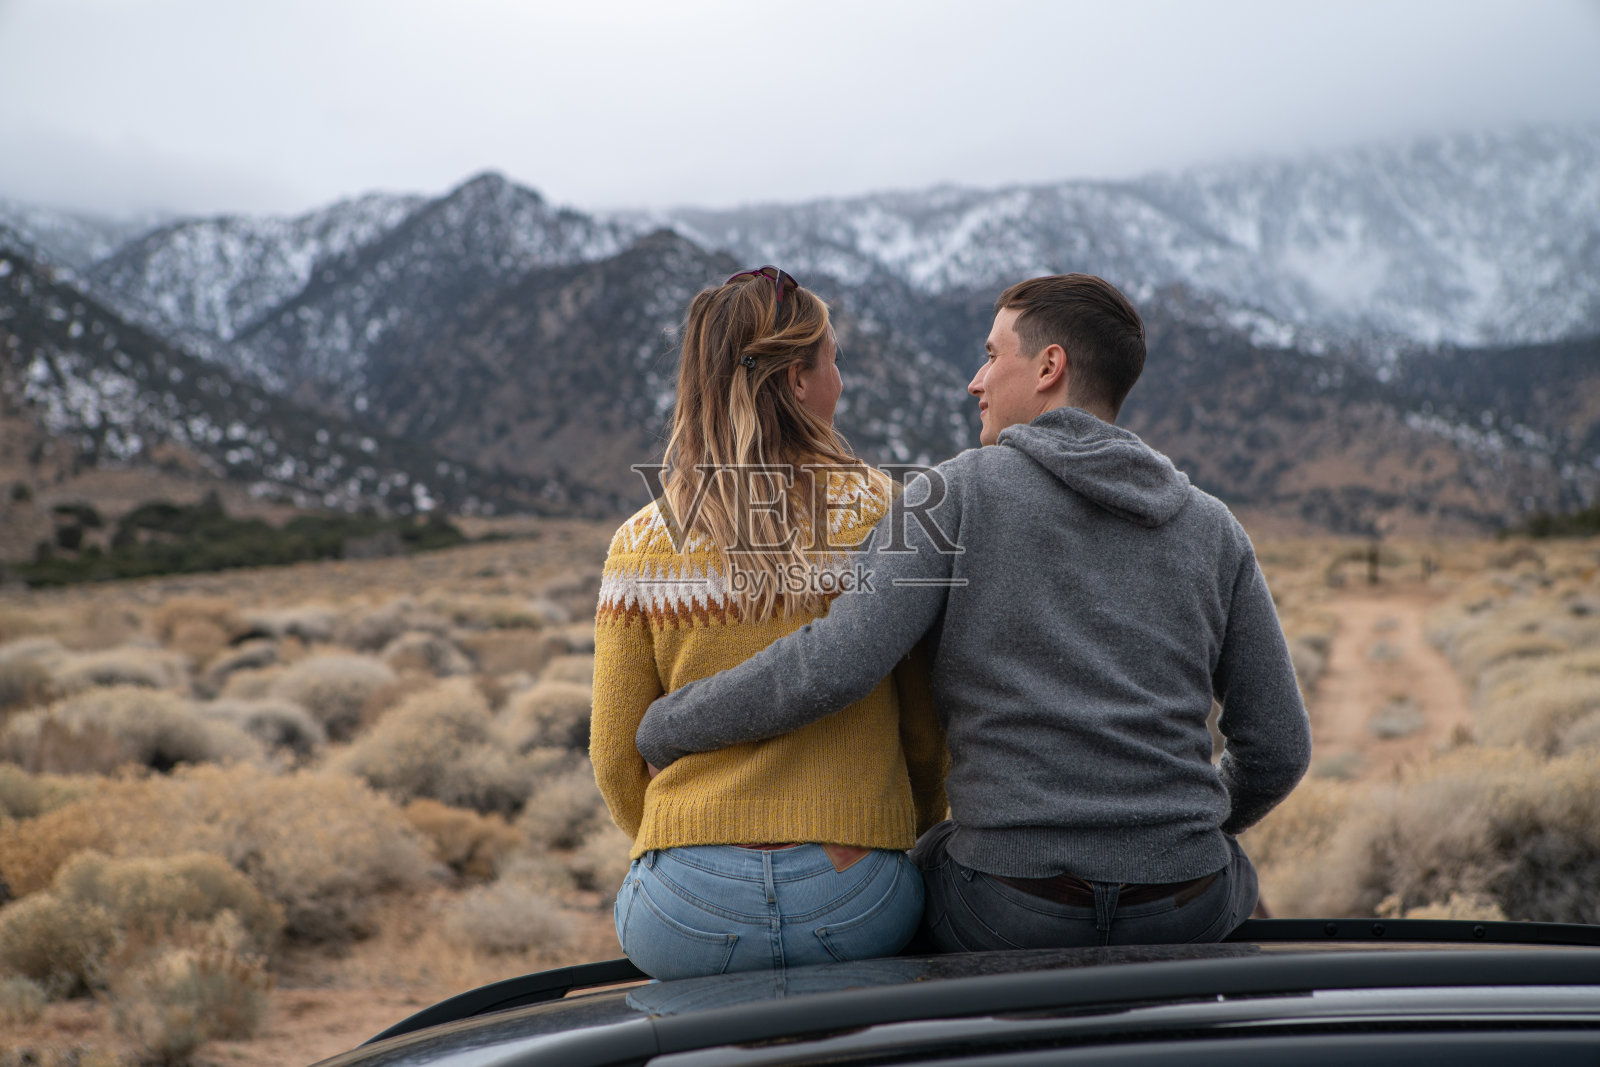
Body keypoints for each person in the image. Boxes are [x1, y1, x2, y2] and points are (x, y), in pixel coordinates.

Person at [635, 273, 1311, 951]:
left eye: (992, 354)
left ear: (1050, 367)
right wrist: (1178, 835)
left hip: (1009, 900)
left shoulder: (952, 495)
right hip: (1186, 899)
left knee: (904, 885)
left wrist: (669, 724)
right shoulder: (1213, 527)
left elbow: (835, 663)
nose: (974, 380)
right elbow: (1279, 747)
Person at [590, 266, 948, 979]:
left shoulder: (642, 540)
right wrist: (880, 832)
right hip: (855, 892)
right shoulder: (890, 516)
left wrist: (680, 837)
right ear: (797, 381)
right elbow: (927, 730)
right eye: (834, 362)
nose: (840, 382)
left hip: (684, 904)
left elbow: (613, 753)